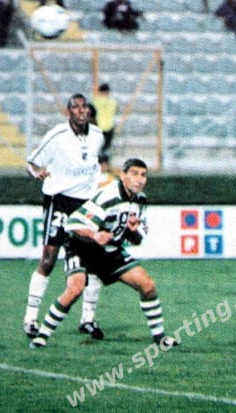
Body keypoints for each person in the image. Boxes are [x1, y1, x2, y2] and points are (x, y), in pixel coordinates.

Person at [30, 158, 179, 349]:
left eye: (143, 175)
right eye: (134, 173)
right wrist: (95, 234)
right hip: (81, 247)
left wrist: (132, 232)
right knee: (74, 290)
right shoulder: (108, 196)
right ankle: (42, 335)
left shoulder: (140, 200)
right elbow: (73, 223)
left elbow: (137, 239)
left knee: (147, 286)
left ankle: (160, 338)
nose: (139, 179)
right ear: (123, 176)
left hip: (108, 250)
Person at [23, 93, 106, 341]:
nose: (81, 110)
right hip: (59, 200)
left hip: (86, 204)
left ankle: (88, 319)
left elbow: (94, 163)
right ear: (68, 112)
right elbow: (31, 162)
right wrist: (37, 172)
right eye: (76, 107)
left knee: (94, 261)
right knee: (49, 258)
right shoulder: (57, 136)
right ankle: (30, 319)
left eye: (84, 107)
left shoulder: (97, 136)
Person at [92, 83, 119, 154]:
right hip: (110, 127)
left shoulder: (95, 101)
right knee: (106, 147)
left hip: (98, 127)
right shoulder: (113, 102)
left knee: (96, 146)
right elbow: (116, 110)